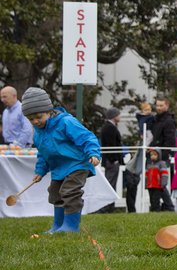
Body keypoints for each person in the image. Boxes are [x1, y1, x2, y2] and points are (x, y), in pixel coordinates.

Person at [22, 87, 101, 233]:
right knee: (55, 192)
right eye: (31, 119)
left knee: (69, 191)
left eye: (39, 117)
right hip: (59, 169)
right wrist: (40, 170)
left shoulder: (66, 122)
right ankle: (58, 225)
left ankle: (71, 227)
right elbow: (43, 153)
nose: (35, 121)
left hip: (77, 164)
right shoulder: (38, 133)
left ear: (49, 111)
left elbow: (86, 137)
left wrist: (93, 153)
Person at [98, 107, 124, 213]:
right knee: (110, 184)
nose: (120, 116)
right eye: (118, 114)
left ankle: (109, 206)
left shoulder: (109, 127)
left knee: (111, 183)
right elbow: (111, 145)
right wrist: (114, 160)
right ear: (114, 116)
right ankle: (106, 207)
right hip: (111, 161)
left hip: (109, 160)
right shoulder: (110, 128)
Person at [151, 97, 177, 161]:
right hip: (152, 153)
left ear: (167, 106)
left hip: (162, 156)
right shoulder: (154, 119)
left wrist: (161, 155)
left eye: (161, 106)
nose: (159, 108)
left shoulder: (169, 121)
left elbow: (169, 140)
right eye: (157, 105)